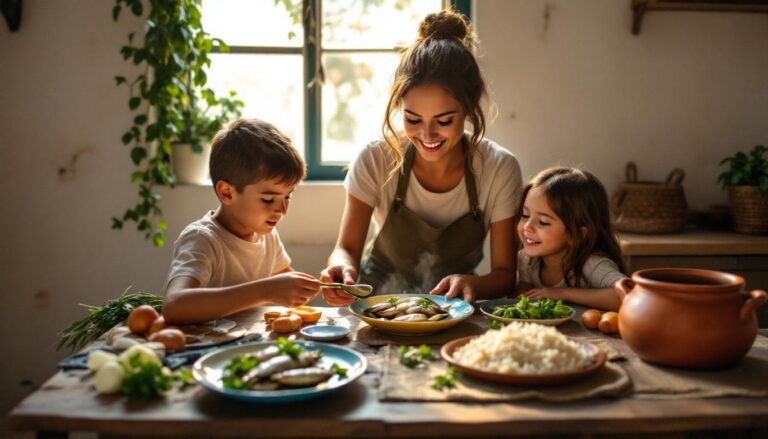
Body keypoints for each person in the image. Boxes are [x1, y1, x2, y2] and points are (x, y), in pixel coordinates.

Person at [321, 9, 522, 306]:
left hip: (455, 308)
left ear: (469, 107)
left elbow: (505, 274)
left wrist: (474, 285)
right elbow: (345, 250)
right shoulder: (375, 159)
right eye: (413, 119)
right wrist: (341, 269)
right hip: (378, 304)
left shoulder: (499, 168)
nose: (427, 135)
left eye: (444, 121)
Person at [162, 118, 320, 325]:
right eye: (268, 199)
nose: (282, 210)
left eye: (288, 196)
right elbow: (174, 306)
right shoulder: (203, 240)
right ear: (226, 193)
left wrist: (322, 286)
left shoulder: (268, 236)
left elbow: (289, 289)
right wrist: (265, 290)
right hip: (205, 344)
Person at [516, 166, 627, 311]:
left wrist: (564, 294)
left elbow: (627, 295)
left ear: (576, 235)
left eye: (543, 222)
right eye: (525, 215)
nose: (527, 227)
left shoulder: (592, 265)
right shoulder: (527, 261)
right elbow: (524, 291)